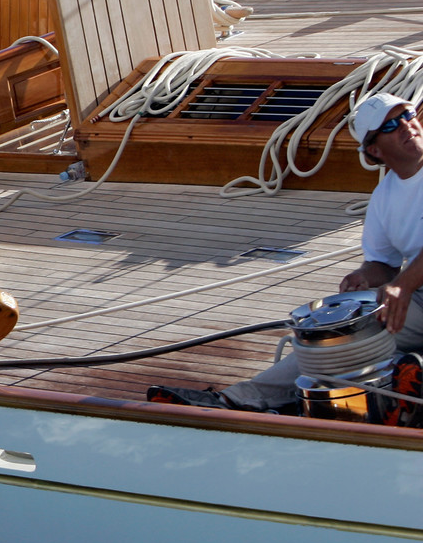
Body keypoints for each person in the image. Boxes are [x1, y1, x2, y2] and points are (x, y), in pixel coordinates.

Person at [149, 92, 423, 413]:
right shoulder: (383, 197)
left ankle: (409, 383)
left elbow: (399, 279)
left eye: (408, 115)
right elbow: (383, 264)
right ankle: (234, 400)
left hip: (414, 291)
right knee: (333, 343)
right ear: (374, 150)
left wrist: (402, 285)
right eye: (392, 124)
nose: (407, 125)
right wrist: (363, 277)